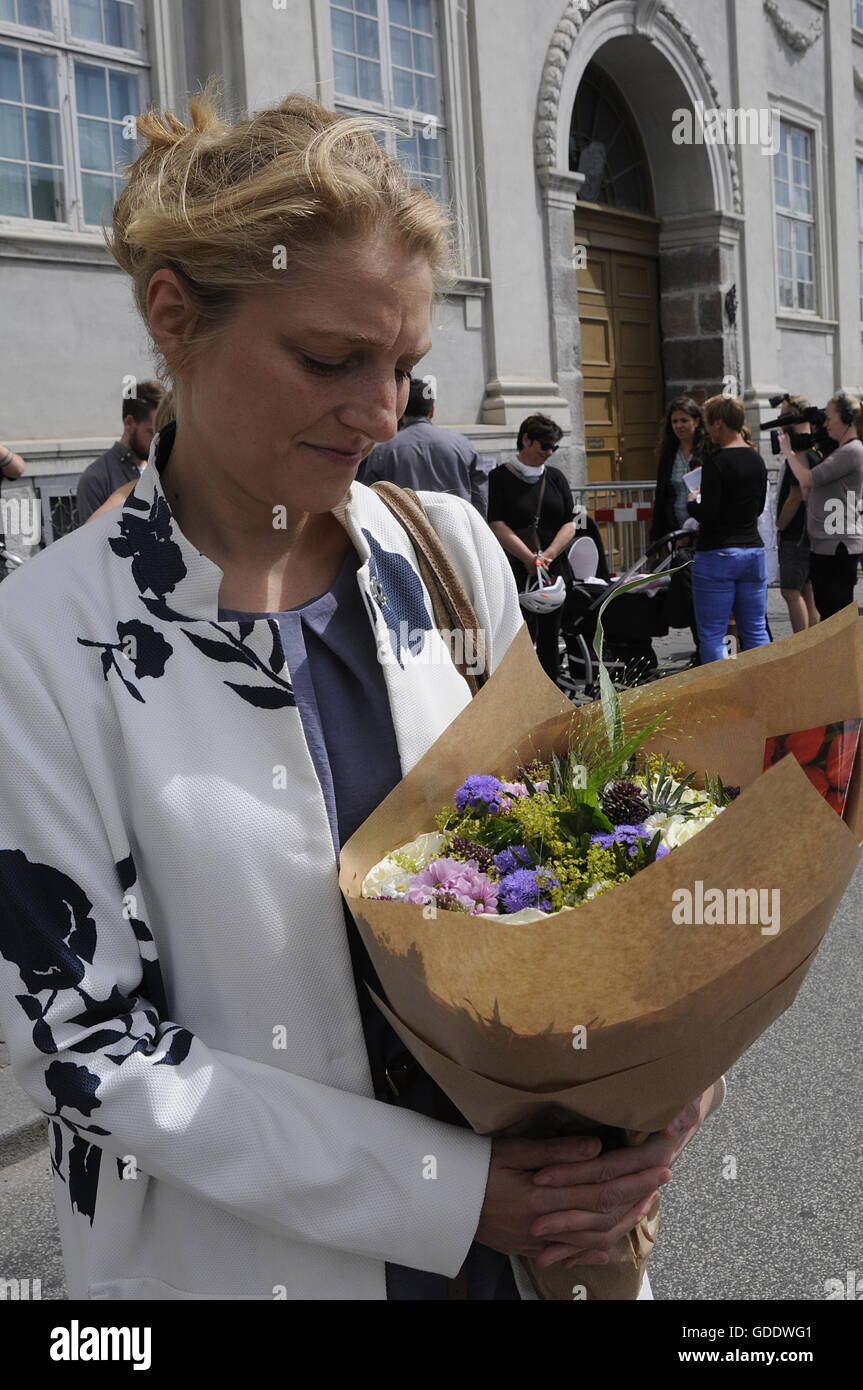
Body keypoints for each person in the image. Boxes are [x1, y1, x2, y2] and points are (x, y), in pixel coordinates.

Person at [0, 86, 722, 1302]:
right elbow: (84, 1051)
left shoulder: (444, 546)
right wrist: (453, 1194)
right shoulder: (41, 643)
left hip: (533, 1258)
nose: (379, 412)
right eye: (331, 358)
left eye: (401, 364)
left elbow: (583, 848)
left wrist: (663, 1070)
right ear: (172, 318)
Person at [487, 415, 578, 684]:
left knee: (551, 636)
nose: (549, 453)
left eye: (554, 447)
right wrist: (528, 558)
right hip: (517, 569)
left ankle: (551, 688)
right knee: (520, 636)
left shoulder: (556, 477)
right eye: (544, 446)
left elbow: (570, 523)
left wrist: (548, 555)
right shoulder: (499, 477)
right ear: (526, 439)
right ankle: (522, 690)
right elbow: (497, 523)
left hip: (553, 570)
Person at [687, 394, 770, 665]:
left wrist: (692, 503)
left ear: (719, 423)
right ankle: (765, 690)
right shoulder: (756, 459)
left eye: (709, 424)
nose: (708, 430)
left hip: (717, 554)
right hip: (753, 551)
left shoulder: (717, 462)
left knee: (712, 635)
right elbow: (757, 509)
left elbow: (708, 513)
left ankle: (721, 699)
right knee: (756, 629)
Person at [778, 392, 863, 621]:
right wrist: (802, 452)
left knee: (836, 615)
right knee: (827, 612)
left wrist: (788, 452)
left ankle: (845, 657)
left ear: (846, 418)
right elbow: (807, 490)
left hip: (839, 544)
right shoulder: (839, 451)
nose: (824, 424)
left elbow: (806, 480)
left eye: (829, 417)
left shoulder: (851, 451)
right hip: (826, 543)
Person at [360, 376, 488, 516]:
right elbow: (481, 495)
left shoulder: (382, 450)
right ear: (432, 410)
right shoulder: (463, 445)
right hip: (459, 529)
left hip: (407, 533)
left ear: (401, 411)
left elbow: (369, 499)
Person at [651, 396, 708, 664]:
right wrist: (658, 536)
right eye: (675, 421)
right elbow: (662, 496)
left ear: (697, 421)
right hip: (676, 535)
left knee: (703, 593)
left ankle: (706, 647)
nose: (679, 426)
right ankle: (699, 646)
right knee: (687, 594)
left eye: (684, 420)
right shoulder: (669, 453)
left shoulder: (707, 450)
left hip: (703, 532)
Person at [76, 380, 164, 523]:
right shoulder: (96, 478)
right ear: (129, 423)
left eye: (161, 434)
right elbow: (91, 541)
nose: (157, 442)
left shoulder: (163, 469)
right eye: (151, 432)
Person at [770, 396, 819, 632]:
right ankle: (811, 645)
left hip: (796, 534)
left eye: (784, 416)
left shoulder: (798, 454)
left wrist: (778, 527)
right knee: (806, 589)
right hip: (808, 532)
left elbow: (795, 496)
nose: (780, 421)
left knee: (790, 590)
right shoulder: (812, 450)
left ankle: (802, 643)